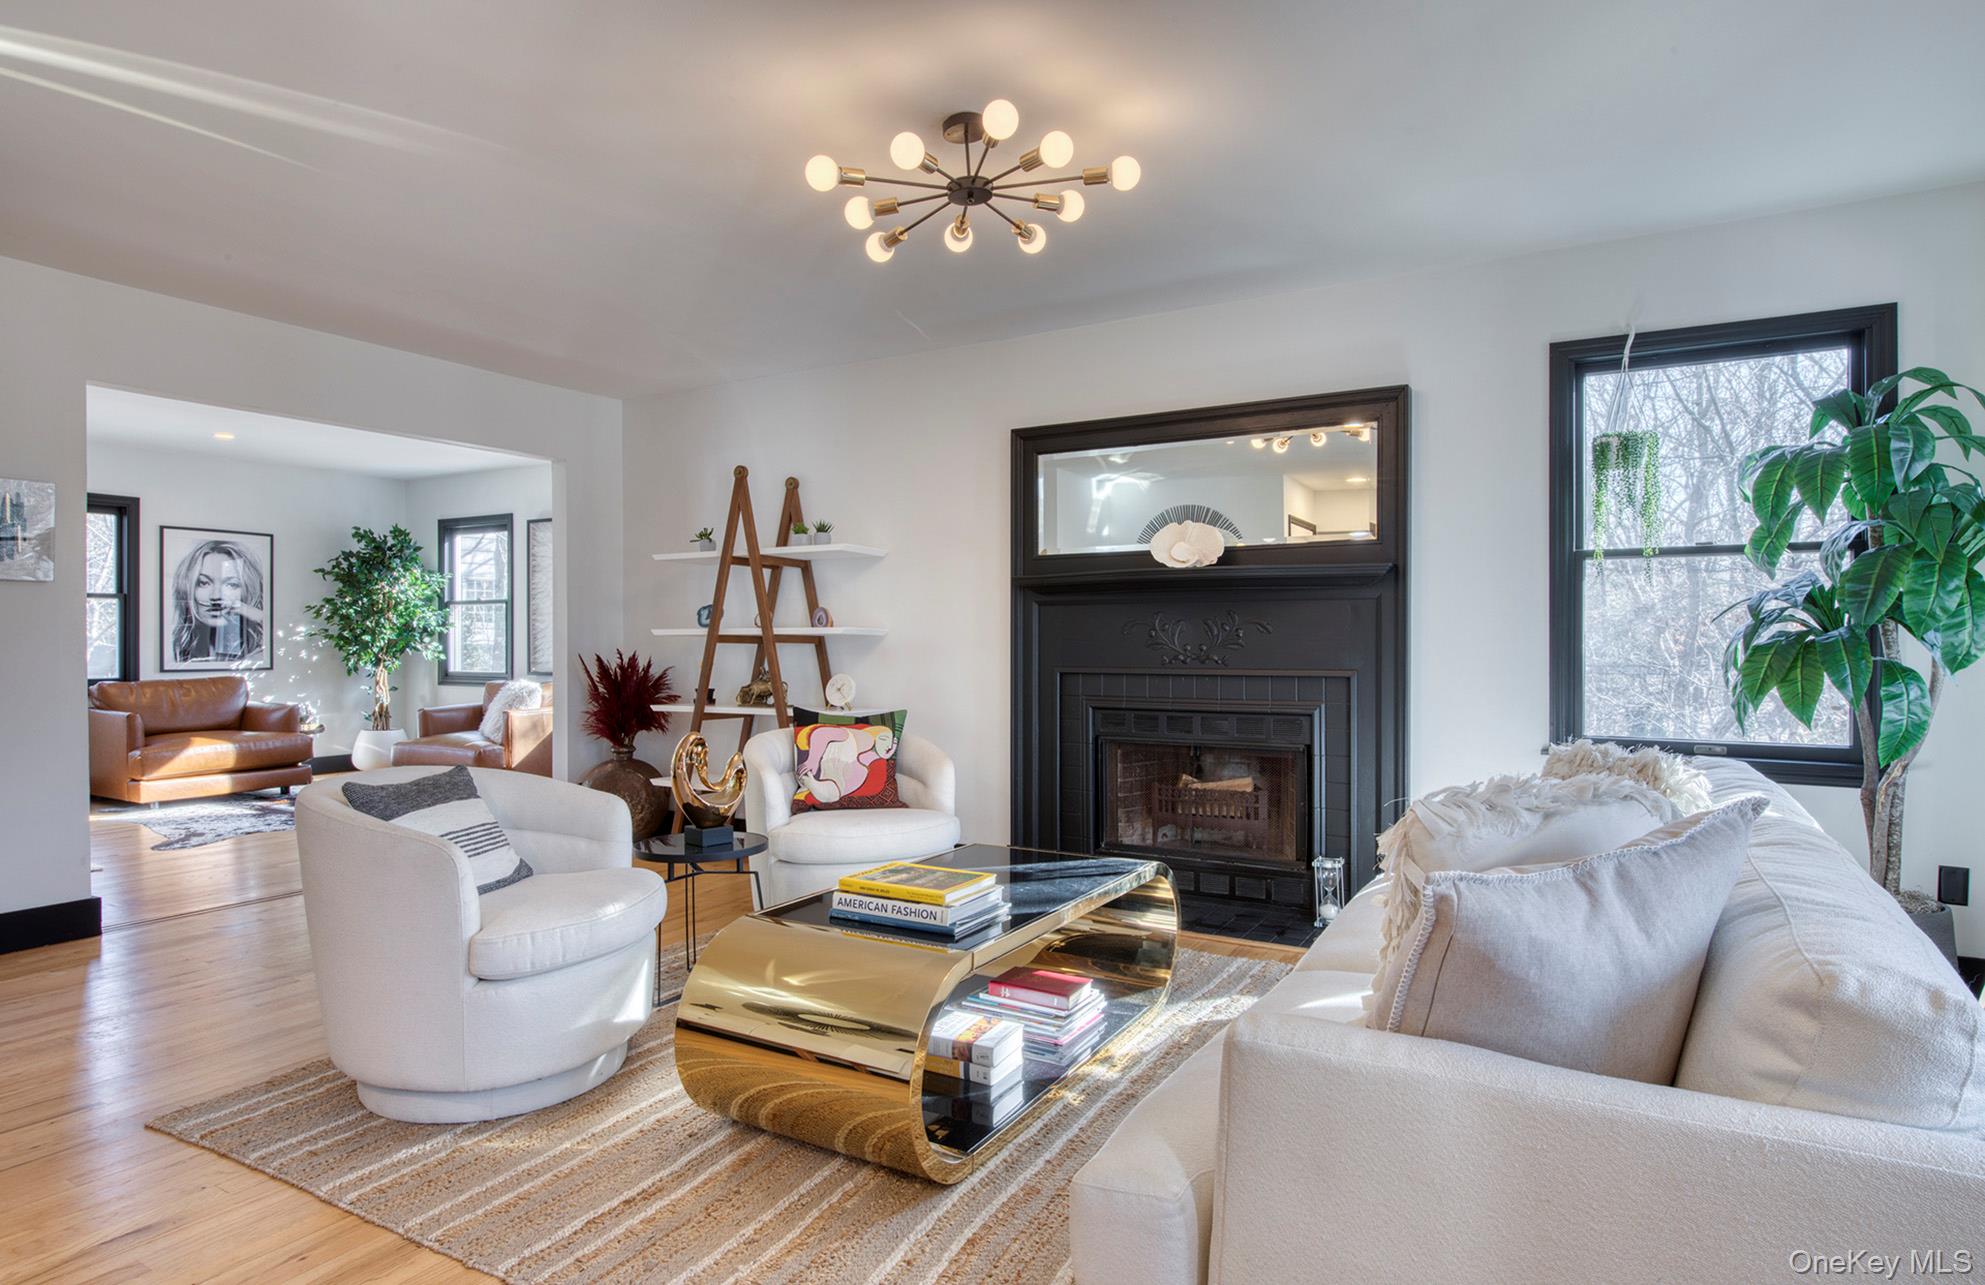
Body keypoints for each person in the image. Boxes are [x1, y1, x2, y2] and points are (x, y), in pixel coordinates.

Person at [170, 538, 266, 664]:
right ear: (188, 589)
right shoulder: (176, 655)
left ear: (248, 591)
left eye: (231, 584)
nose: (216, 596)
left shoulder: (260, 658)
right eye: (204, 583)